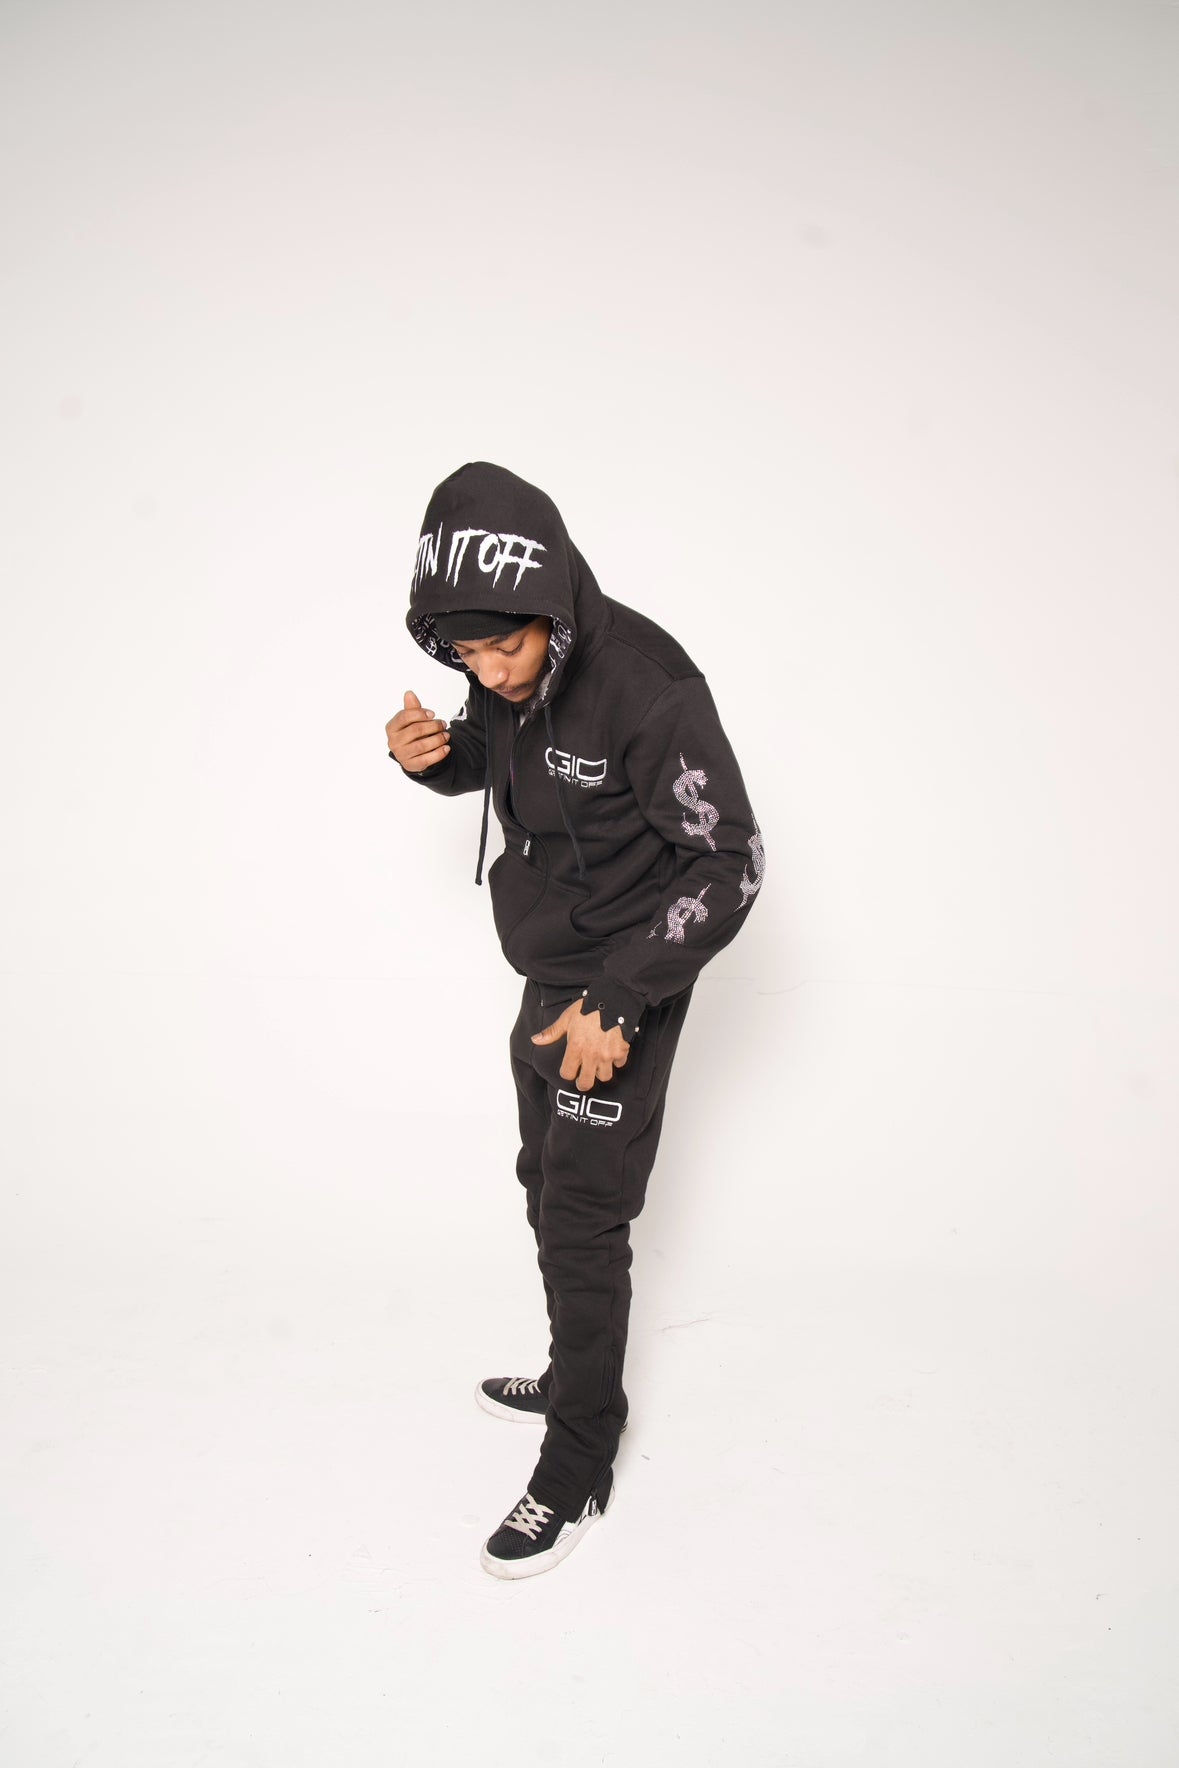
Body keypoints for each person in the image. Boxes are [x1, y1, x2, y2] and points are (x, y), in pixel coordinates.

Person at [385, 461, 764, 1579]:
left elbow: (731, 859)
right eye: (467, 656)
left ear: (549, 608)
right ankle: (575, 1369)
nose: (491, 673)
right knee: (544, 1182)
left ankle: (580, 1457)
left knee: (585, 1213)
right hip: (550, 970)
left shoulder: (648, 684)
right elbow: (507, 759)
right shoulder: (502, 669)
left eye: (506, 649)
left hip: (624, 980)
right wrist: (435, 759)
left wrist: (624, 997)